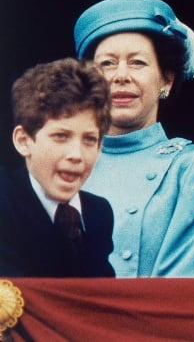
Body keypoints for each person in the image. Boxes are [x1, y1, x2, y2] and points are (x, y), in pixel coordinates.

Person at [72, 0, 194, 277]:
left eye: (137, 62)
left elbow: (179, 291)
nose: (120, 75)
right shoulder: (60, 166)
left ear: (167, 80)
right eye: (107, 64)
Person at [0, 58, 114, 277]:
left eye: (89, 140)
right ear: (23, 141)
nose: (76, 155)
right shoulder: (4, 199)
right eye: (61, 136)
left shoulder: (98, 213)